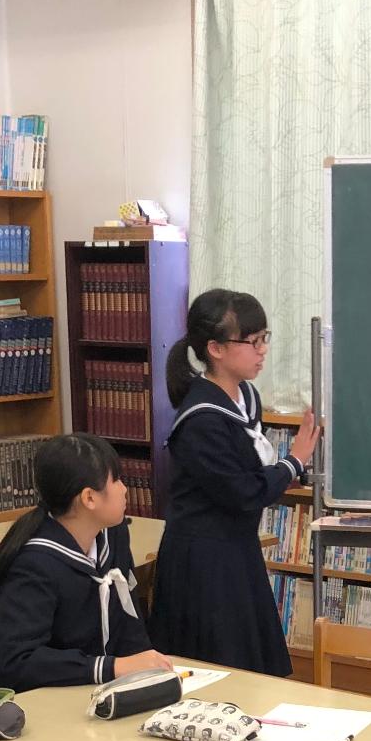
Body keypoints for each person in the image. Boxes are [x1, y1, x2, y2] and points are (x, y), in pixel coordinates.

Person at [149, 289, 320, 675]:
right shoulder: (201, 420)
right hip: (203, 560)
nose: (262, 350)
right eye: (252, 341)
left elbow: (250, 472)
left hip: (237, 548)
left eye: (264, 338)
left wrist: (283, 474)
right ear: (216, 349)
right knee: (217, 669)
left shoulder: (247, 396)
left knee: (251, 669)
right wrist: (294, 462)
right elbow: (243, 492)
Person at [0, 432, 167, 699]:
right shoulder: (34, 563)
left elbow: (127, 614)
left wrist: (147, 670)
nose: (124, 489)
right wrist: (111, 667)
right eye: (117, 480)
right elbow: (20, 661)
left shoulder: (113, 533)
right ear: (89, 498)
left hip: (72, 686)